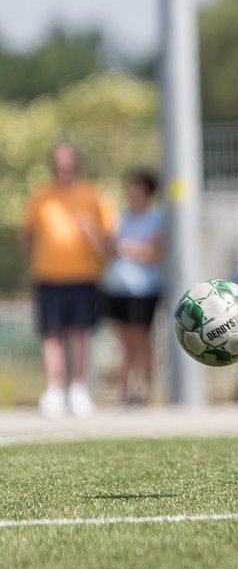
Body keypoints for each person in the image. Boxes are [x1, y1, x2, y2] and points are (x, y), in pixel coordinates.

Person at [20, 141, 115, 418]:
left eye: (68, 161)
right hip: (47, 277)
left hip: (83, 276)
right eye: (58, 161)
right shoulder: (41, 196)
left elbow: (109, 242)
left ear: (76, 163)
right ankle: (54, 390)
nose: (63, 166)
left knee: (79, 332)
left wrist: (91, 231)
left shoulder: (93, 194)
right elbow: (27, 232)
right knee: (50, 334)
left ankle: (78, 389)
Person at [100, 168, 165, 406]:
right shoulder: (120, 217)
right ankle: (125, 392)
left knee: (141, 340)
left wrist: (128, 248)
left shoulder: (156, 219)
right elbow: (109, 248)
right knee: (124, 343)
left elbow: (156, 253)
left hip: (143, 289)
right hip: (117, 287)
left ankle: (146, 391)